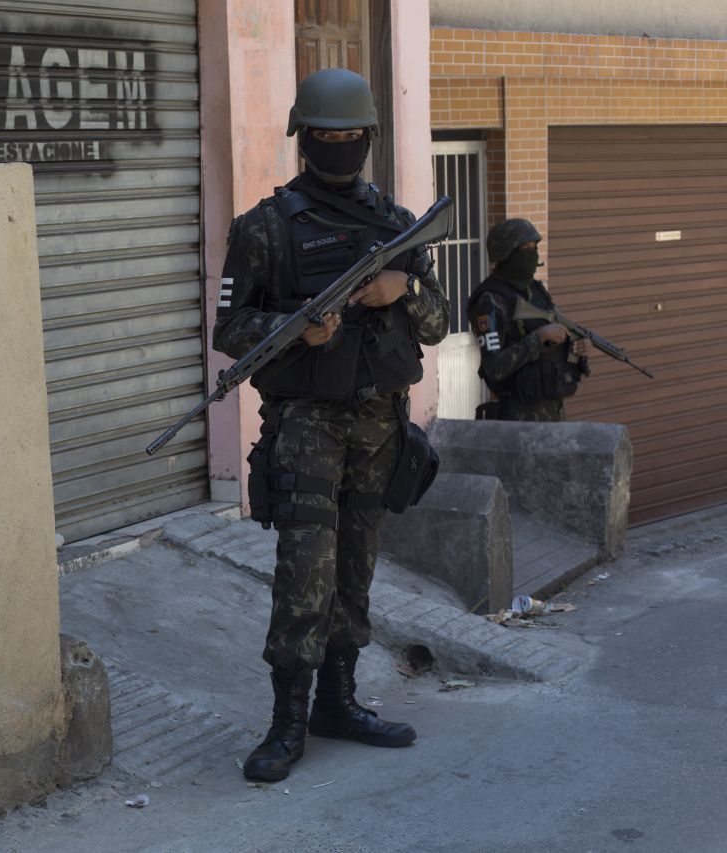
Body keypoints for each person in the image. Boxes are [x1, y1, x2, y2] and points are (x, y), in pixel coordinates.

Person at [212, 67, 450, 783]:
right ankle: (287, 722)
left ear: (369, 139)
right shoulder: (264, 229)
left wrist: (400, 287)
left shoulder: (396, 225)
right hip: (307, 430)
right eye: (328, 137)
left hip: (378, 429)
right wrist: (296, 330)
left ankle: (339, 702)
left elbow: (437, 323)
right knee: (304, 576)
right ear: (304, 140)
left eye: (352, 138)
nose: (341, 147)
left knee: (355, 569)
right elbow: (231, 328)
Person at [466, 219, 590, 421]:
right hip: (518, 420)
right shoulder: (490, 300)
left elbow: (555, 337)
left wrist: (576, 346)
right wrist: (538, 338)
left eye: (535, 247)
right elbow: (494, 367)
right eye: (525, 248)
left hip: (554, 413)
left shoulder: (535, 290)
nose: (532, 253)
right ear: (506, 253)